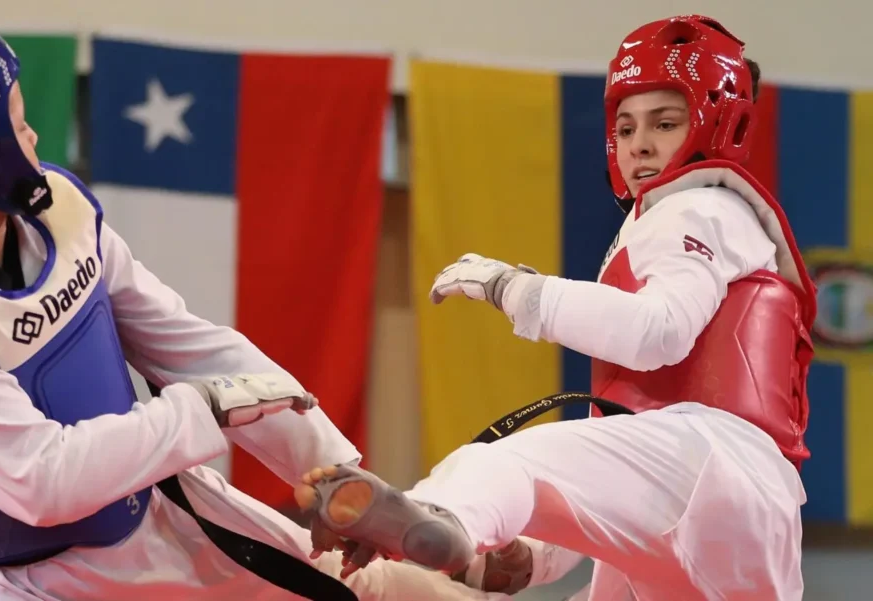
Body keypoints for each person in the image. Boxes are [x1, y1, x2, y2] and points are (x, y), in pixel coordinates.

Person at [0, 4, 509, 601]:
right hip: (18, 579)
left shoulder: (58, 208)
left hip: (155, 518)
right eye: (19, 119)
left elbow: (190, 344)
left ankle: (473, 559)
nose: (31, 136)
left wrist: (331, 473)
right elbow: (37, 478)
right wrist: (202, 409)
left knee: (369, 588)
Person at [293, 14, 815, 600]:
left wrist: (515, 288)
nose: (639, 143)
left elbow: (658, 333)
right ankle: (454, 528)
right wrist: (525, 559)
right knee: (527, 494)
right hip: (736, 512)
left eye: (666, 123)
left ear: (720, 127)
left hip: (712, 462)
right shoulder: (705, 225)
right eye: (624, 128)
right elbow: (615, 468)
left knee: (503, 463)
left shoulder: (696, 206)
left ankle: (444, 514)